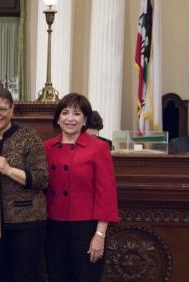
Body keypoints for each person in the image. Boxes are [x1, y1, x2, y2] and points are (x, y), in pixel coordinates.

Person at [43, 93, 119, 282]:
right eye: (65, 113)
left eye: (76, 114)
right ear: (58, 118)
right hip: (53, 226)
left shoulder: (98, 148)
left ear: (85, 119)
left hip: (85, 229)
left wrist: (99, 235)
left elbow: (106, 194)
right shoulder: (46, 148)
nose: (70, 118)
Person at [0, 85, 48, 282]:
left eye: (1, 109)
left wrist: (9, 170)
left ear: (11, 110)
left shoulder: (29, 137)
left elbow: (41, 178)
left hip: (26, 224)